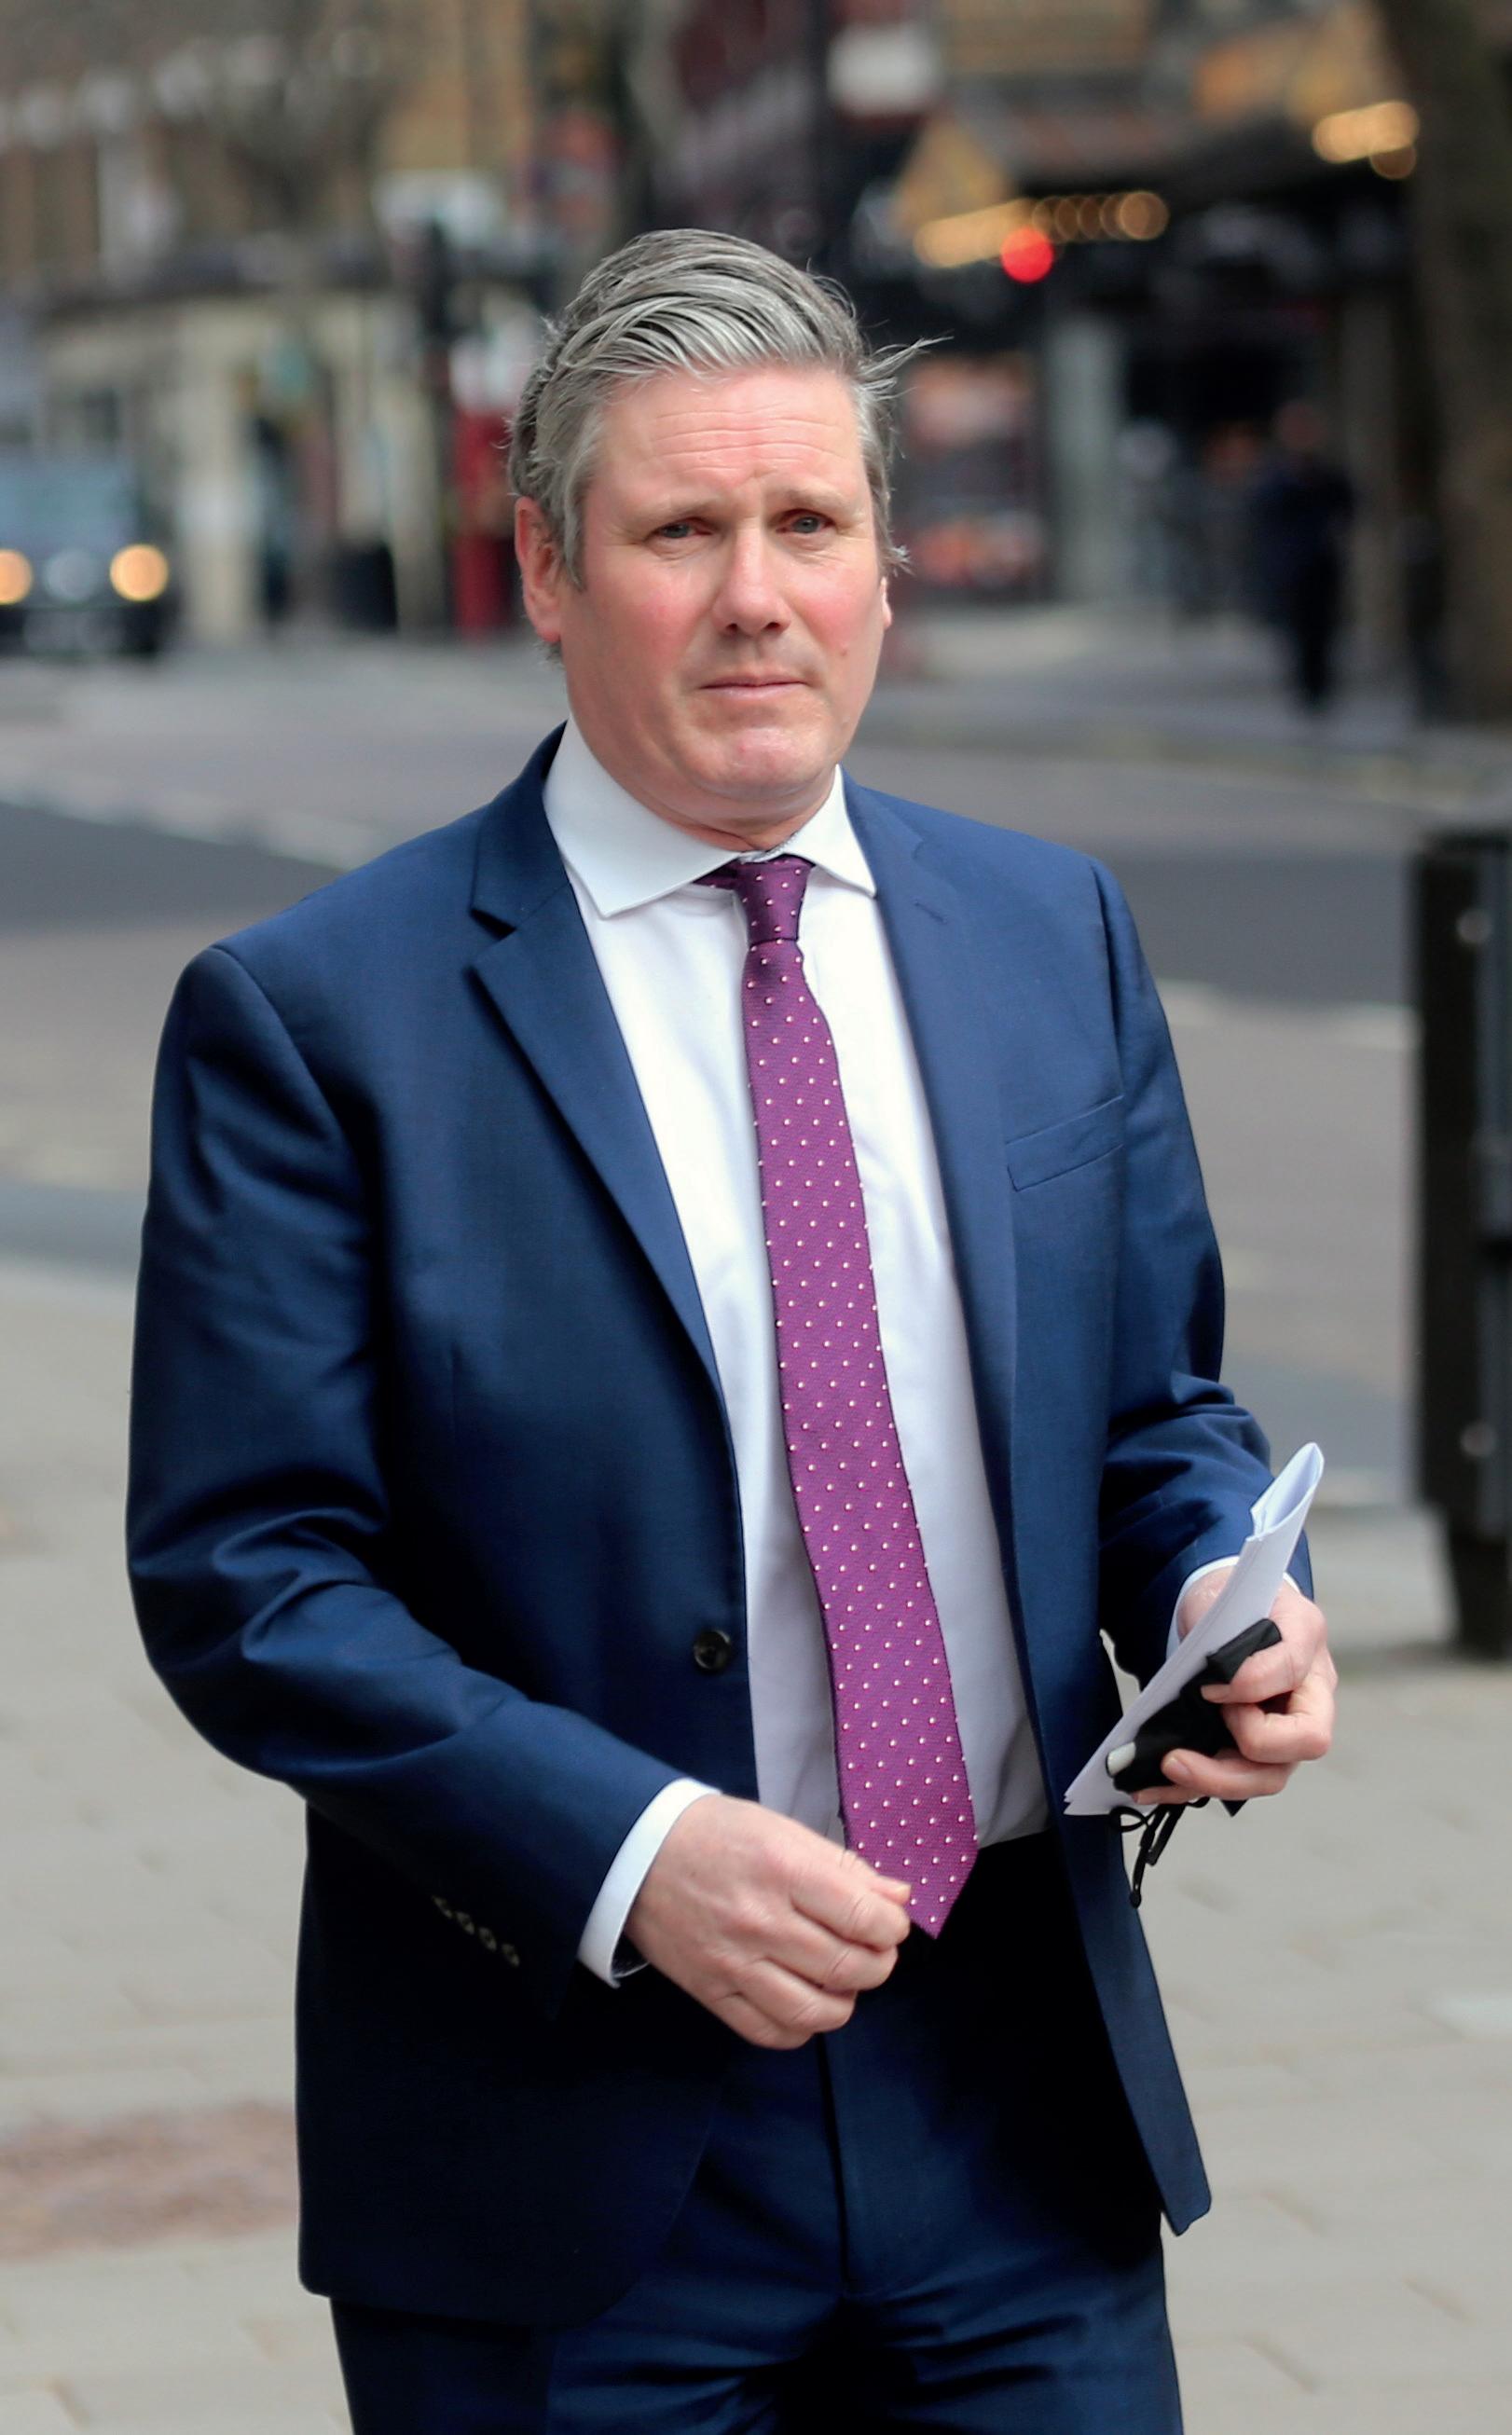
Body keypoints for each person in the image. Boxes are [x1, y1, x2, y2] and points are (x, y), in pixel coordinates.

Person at [127, 231, 1337, 2432]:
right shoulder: (317, 1021)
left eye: (809, 524)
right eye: (682, 532)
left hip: (1019, 2108)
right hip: (565, 2143)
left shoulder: (1049, 932)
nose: (757, 597)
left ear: (885, 561)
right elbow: (250, 1577)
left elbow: (1154, 1410)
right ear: (547, 568)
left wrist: (1221, 1595)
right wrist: (631, 1853)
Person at [1250, 400, 1357, 713]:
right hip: (1289, 563)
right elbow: (1263, 512)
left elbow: (1348, 504)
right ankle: (1304, 685)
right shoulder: (1277, 474)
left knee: (1323, 625)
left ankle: (1321, 685)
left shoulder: (1326, 472)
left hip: (1321, 561)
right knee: (1295, 626)